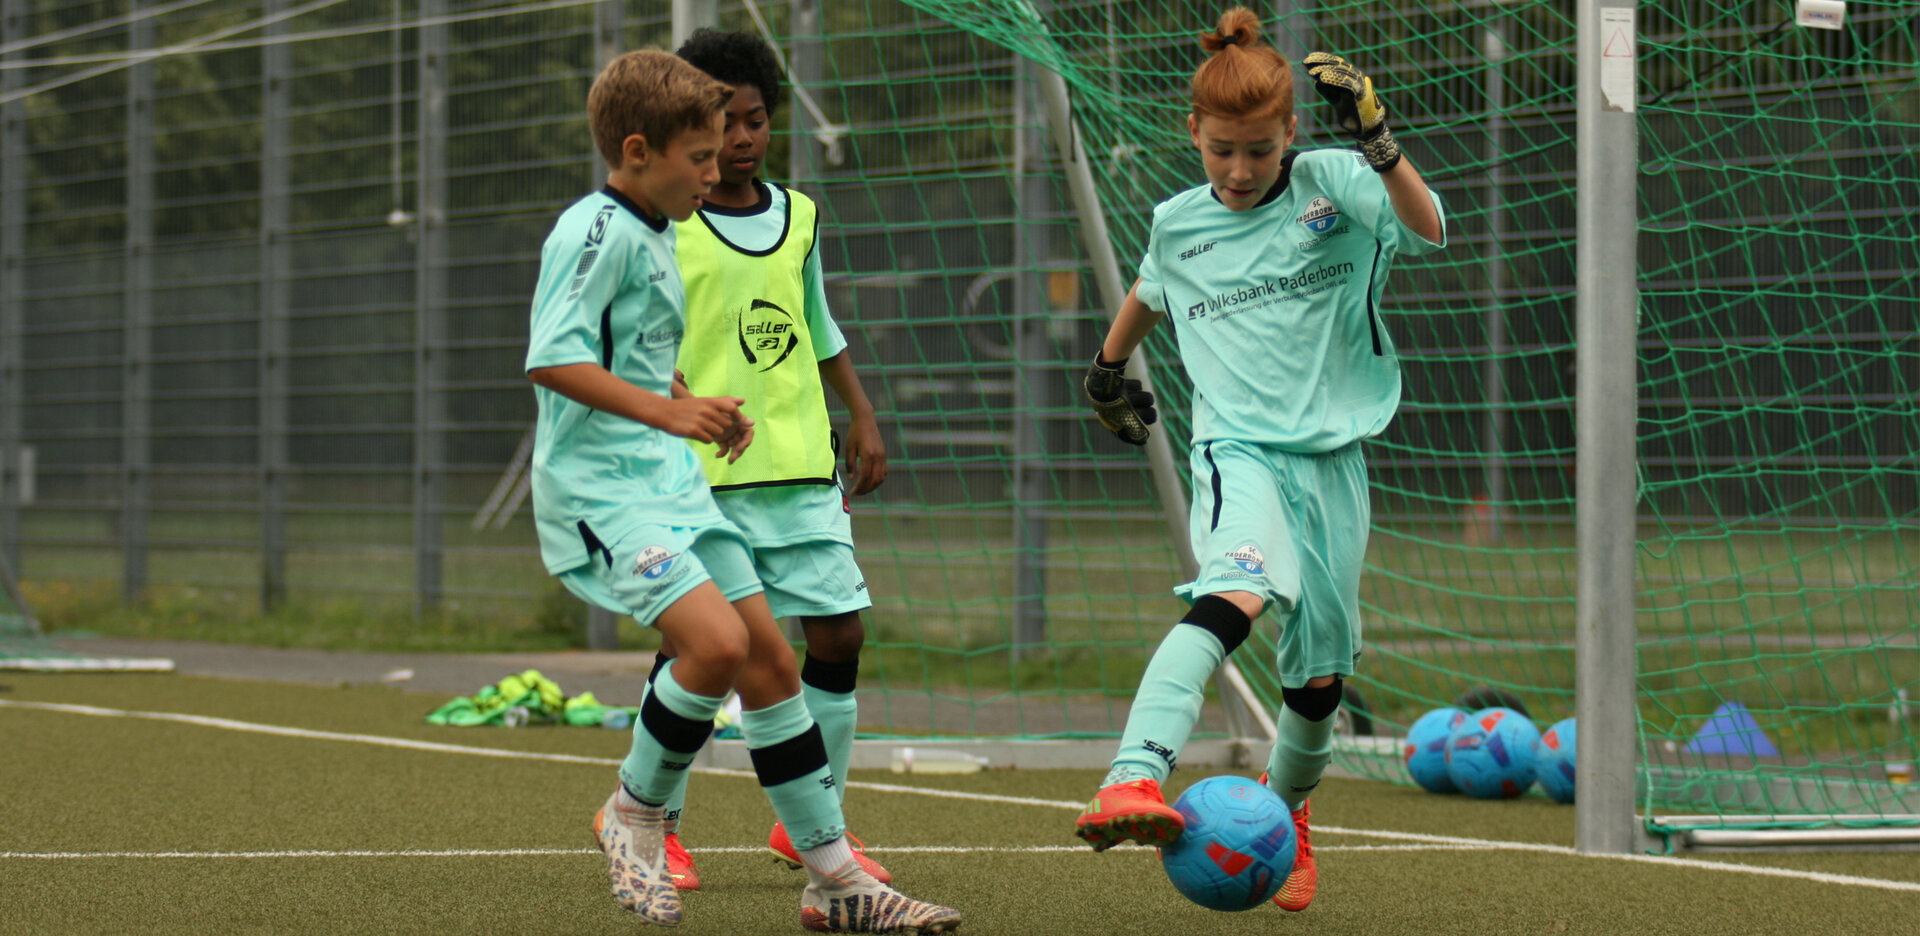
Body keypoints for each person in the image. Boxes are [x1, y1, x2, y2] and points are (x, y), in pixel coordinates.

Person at [524, 48, 959, 933]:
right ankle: (635, 813)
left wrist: (688, 402)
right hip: (605, 491)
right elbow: (552, 358)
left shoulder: (658, 228)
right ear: (639, 151)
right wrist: (668, 411)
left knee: (770, 662)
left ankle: (835, 882)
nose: (713, 168)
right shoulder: (596, 230)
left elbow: (629, 353)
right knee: (717, 646)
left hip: (671, 479)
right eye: (698, 155)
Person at [1070, 7, 1446, 914]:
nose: (1239, 171)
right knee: (1232, 596)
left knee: (1317, 682)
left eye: (1259, 151)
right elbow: (1150, 290)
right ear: (1193, 132)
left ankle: (1285, 817)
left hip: (1334, 465)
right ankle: (1131, 777)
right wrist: (1106, 369)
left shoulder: (1335, 183)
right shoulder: (1177, 222)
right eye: (1221, 151)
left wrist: (1380, 144)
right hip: (1238, 451)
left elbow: (1428, 226)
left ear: (1291, 133)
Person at [644, 27, 894, 893]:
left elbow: (816, 322)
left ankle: (813, 821)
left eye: (755, 120)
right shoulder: (668, 224)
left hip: (798, 463)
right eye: (725, 123)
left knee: (840, 632)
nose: (742, 138)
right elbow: (636, 328)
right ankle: (657, 824)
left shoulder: (801, 217)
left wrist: (861, 411)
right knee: (700, 650)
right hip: (702, 473)